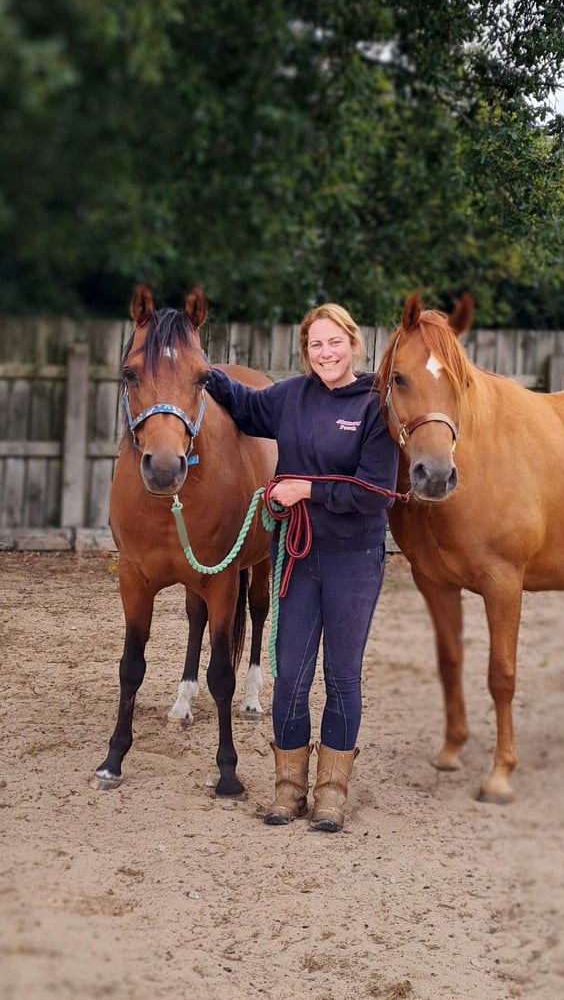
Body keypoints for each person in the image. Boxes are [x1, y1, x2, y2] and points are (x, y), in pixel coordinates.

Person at [204, 303, 400, 832]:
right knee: (290, 673)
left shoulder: (375, 406)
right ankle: (289, 787)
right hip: (294, 554)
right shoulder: (290, 396)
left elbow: (377, 491)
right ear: (305, 351)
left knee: (341, 675)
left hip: (353, 558)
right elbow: (244, 406)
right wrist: (201, 367)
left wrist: (305, 489)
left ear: (353, 344)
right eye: (316, 344)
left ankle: (331, 791)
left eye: (334, 342)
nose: (325, 353)